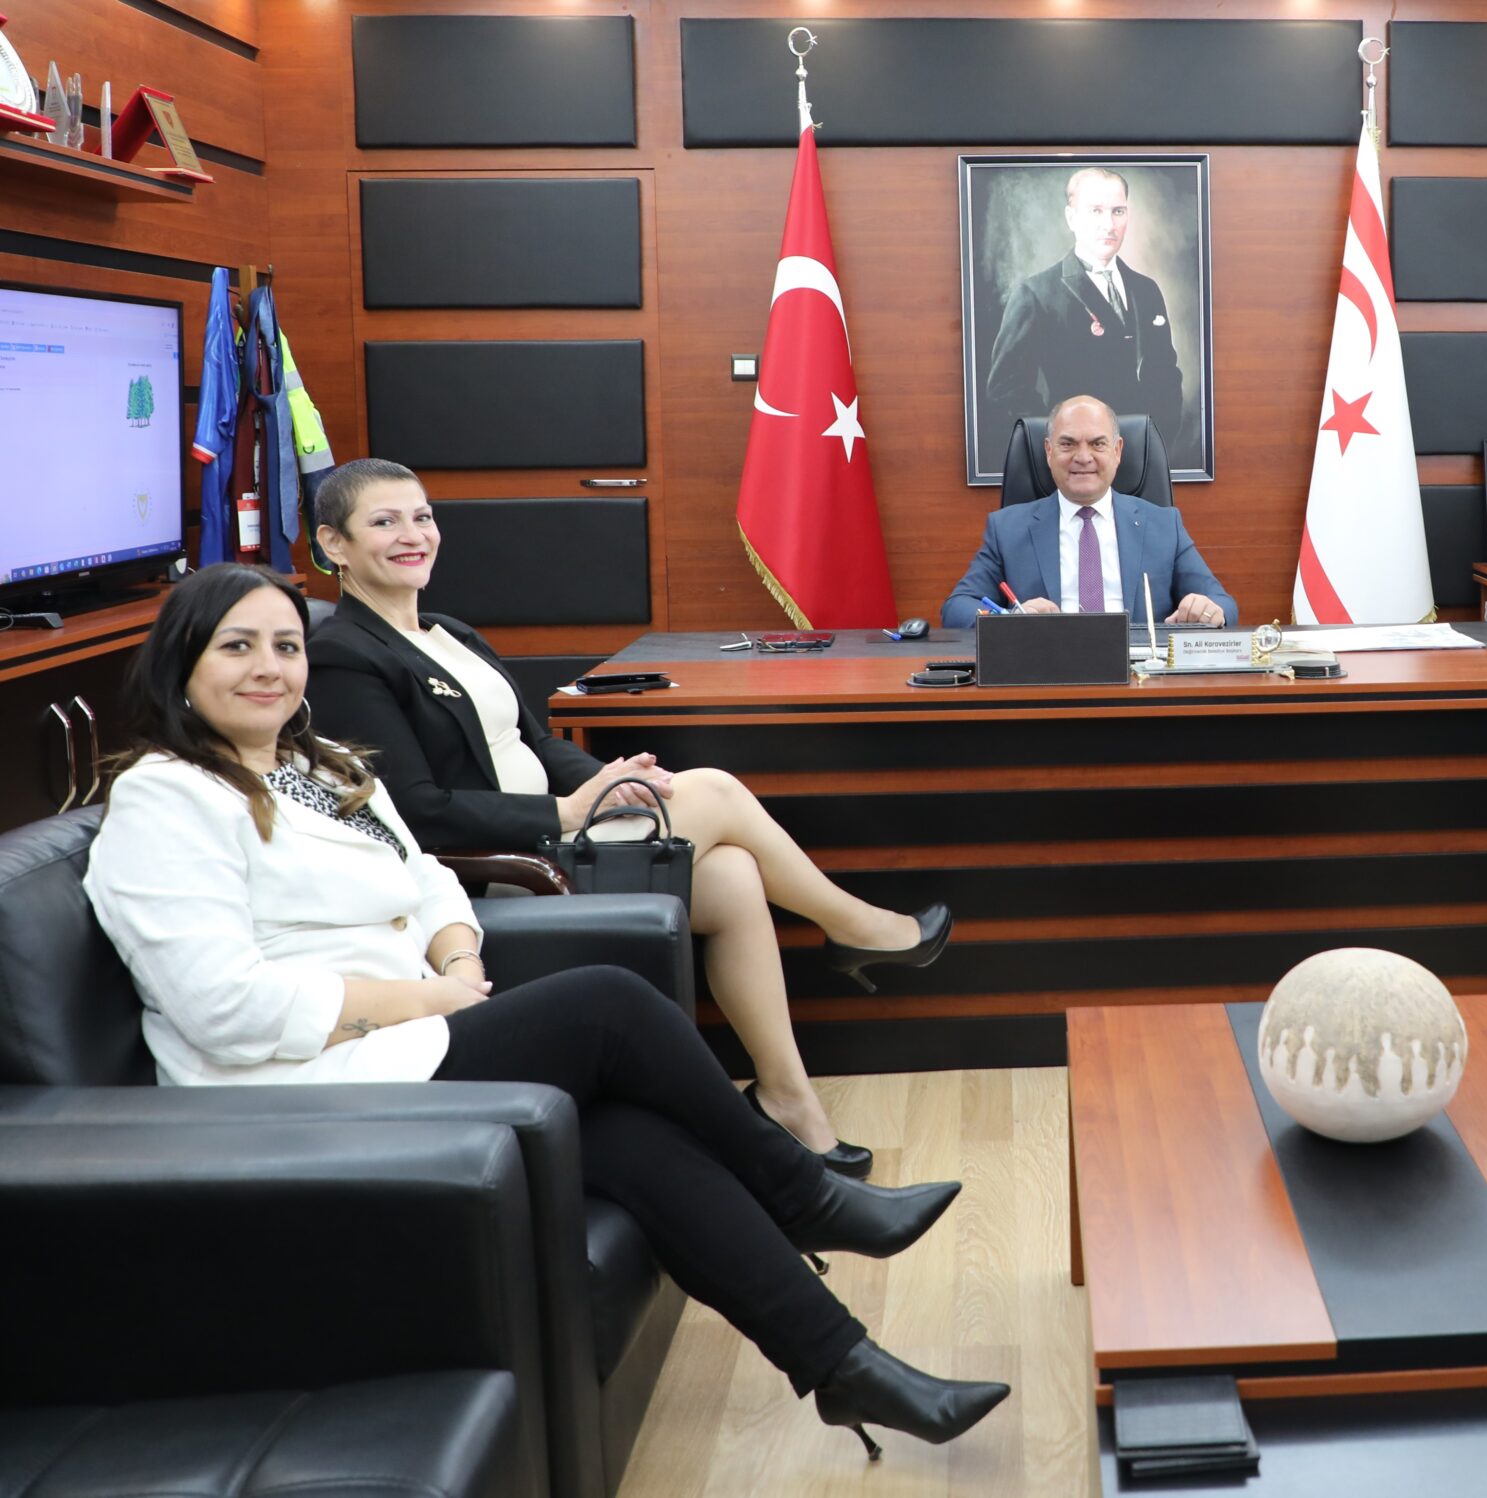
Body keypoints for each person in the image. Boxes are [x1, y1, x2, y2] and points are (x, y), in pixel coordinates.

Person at [83, 563, 1013, 1456]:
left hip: (404, 1040)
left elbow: (429, 878)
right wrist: (429, 996)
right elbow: (226, 1008)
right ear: (182, 666)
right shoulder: (163, 798)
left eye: (286, 647)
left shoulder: (317, 765)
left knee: (630, 1139)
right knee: (610, 1005)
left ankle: (847, 1367)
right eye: (237, 647)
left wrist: (458, 954)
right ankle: (800, 1194)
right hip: (297, 1089)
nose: (269, 668)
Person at [303, 458, 944, 1178]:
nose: (412, 535)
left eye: (422, 517)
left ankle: (788, 1101)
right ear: (335, 544)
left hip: (561, 830)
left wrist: (610, 783)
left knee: (733, 874)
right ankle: (858, 927)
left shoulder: (450, 631)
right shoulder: (341, 656)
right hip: (502, 868)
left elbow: (536, 742)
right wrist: (566, 810)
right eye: (385, 522)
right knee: (716, 789)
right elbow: (416, 813)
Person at [941, 394, 1236, 629]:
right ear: (1049, 452)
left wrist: (1208, 610)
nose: (1083, 457)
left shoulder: (1163, 525)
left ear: (1117, 451)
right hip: (1047, 672)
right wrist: (1009, 621)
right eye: (1068, 444)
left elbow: (1223, 604)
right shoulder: (1007, 529)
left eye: (1097, 444)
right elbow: (957, 608)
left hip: (1139, 675)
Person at [981, 166, 1184, 475]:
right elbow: (1006, 390)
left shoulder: (1146, 289)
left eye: (1118, 211)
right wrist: (1065, 448)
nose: (1109, 224)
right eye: (1095, 211)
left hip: (1142, 465)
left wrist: (1155, 444)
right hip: (1077, 470)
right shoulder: (1037, 294)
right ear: (1072, 218)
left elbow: (1166, 374)